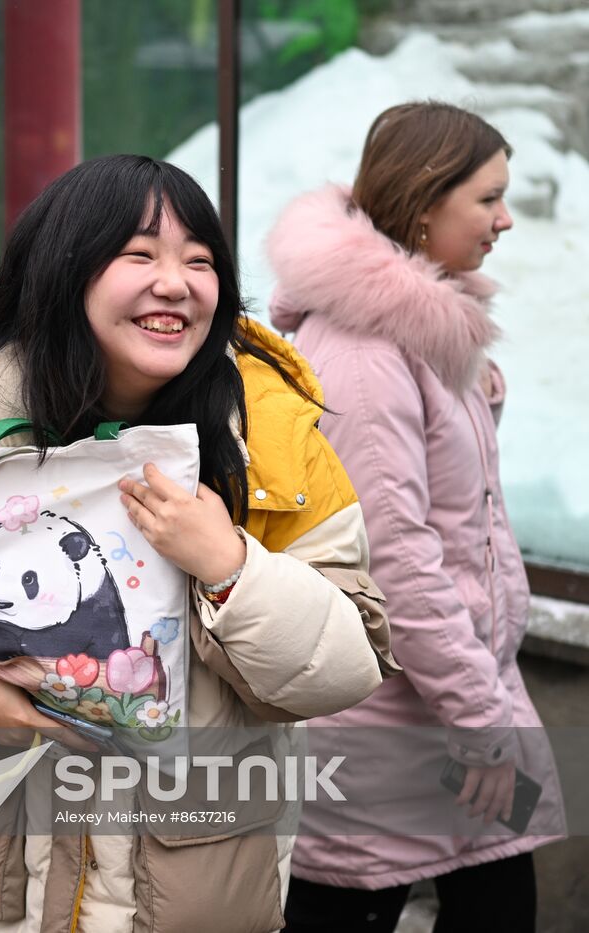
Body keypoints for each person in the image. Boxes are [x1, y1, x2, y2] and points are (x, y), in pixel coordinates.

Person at [0, 154, 398, 931]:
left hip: (194, 889)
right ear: (63, 269)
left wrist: (230, 567)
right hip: (4, 878)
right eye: (140, 255)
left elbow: (346, 664)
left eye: (199, 261)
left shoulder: (275, 439)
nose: (175, 283)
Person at [267, 102, 564, 933]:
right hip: (395, 721)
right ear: (426, 203)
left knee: (501, 901)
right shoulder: (367, 355)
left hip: (451, 699)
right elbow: (392, 560)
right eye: (488, 198)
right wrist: (480, 720)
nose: (506, 219)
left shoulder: (424, 332)